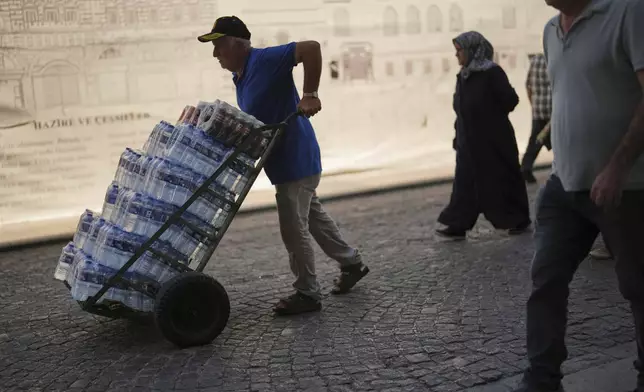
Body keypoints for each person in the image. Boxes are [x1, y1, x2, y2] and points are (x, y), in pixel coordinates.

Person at [197, 16, 369, 316]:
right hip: (285, 163)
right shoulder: (242, 75)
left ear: (237, 44)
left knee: (293, 227)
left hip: (296, 158)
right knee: (313, 217)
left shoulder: (264, 59)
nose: (215, 55)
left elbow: (311, 49)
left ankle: (307, 293)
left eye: (219, 46)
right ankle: (352, 262)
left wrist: (310, 94)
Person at [514, 0, 644, 391]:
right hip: (563, 186)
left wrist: (617, 166)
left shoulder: (628, 12)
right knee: (546, 280)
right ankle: (541, 378)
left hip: (626, 187)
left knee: (638, 286)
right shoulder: (551, 30)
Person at [436, 31, 532, 240]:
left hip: (493, 141)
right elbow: (460, 109)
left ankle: (517, 219)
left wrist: (489, 114)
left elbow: (511, 100)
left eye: (459, 51)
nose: (456, 56)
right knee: (465, 183)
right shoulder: (463, 76)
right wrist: (458, 136)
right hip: (468, 141)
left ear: (471, 51)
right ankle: (458, 223)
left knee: (501, 180)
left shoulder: (493, 73)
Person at [522, 53, 552, 184]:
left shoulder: (535, 61)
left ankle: (525, 168)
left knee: (535, 140)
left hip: (538, 109)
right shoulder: (553, 59)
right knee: (560, 140)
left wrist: (533, 104)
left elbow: (527, 84)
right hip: (553, 109)